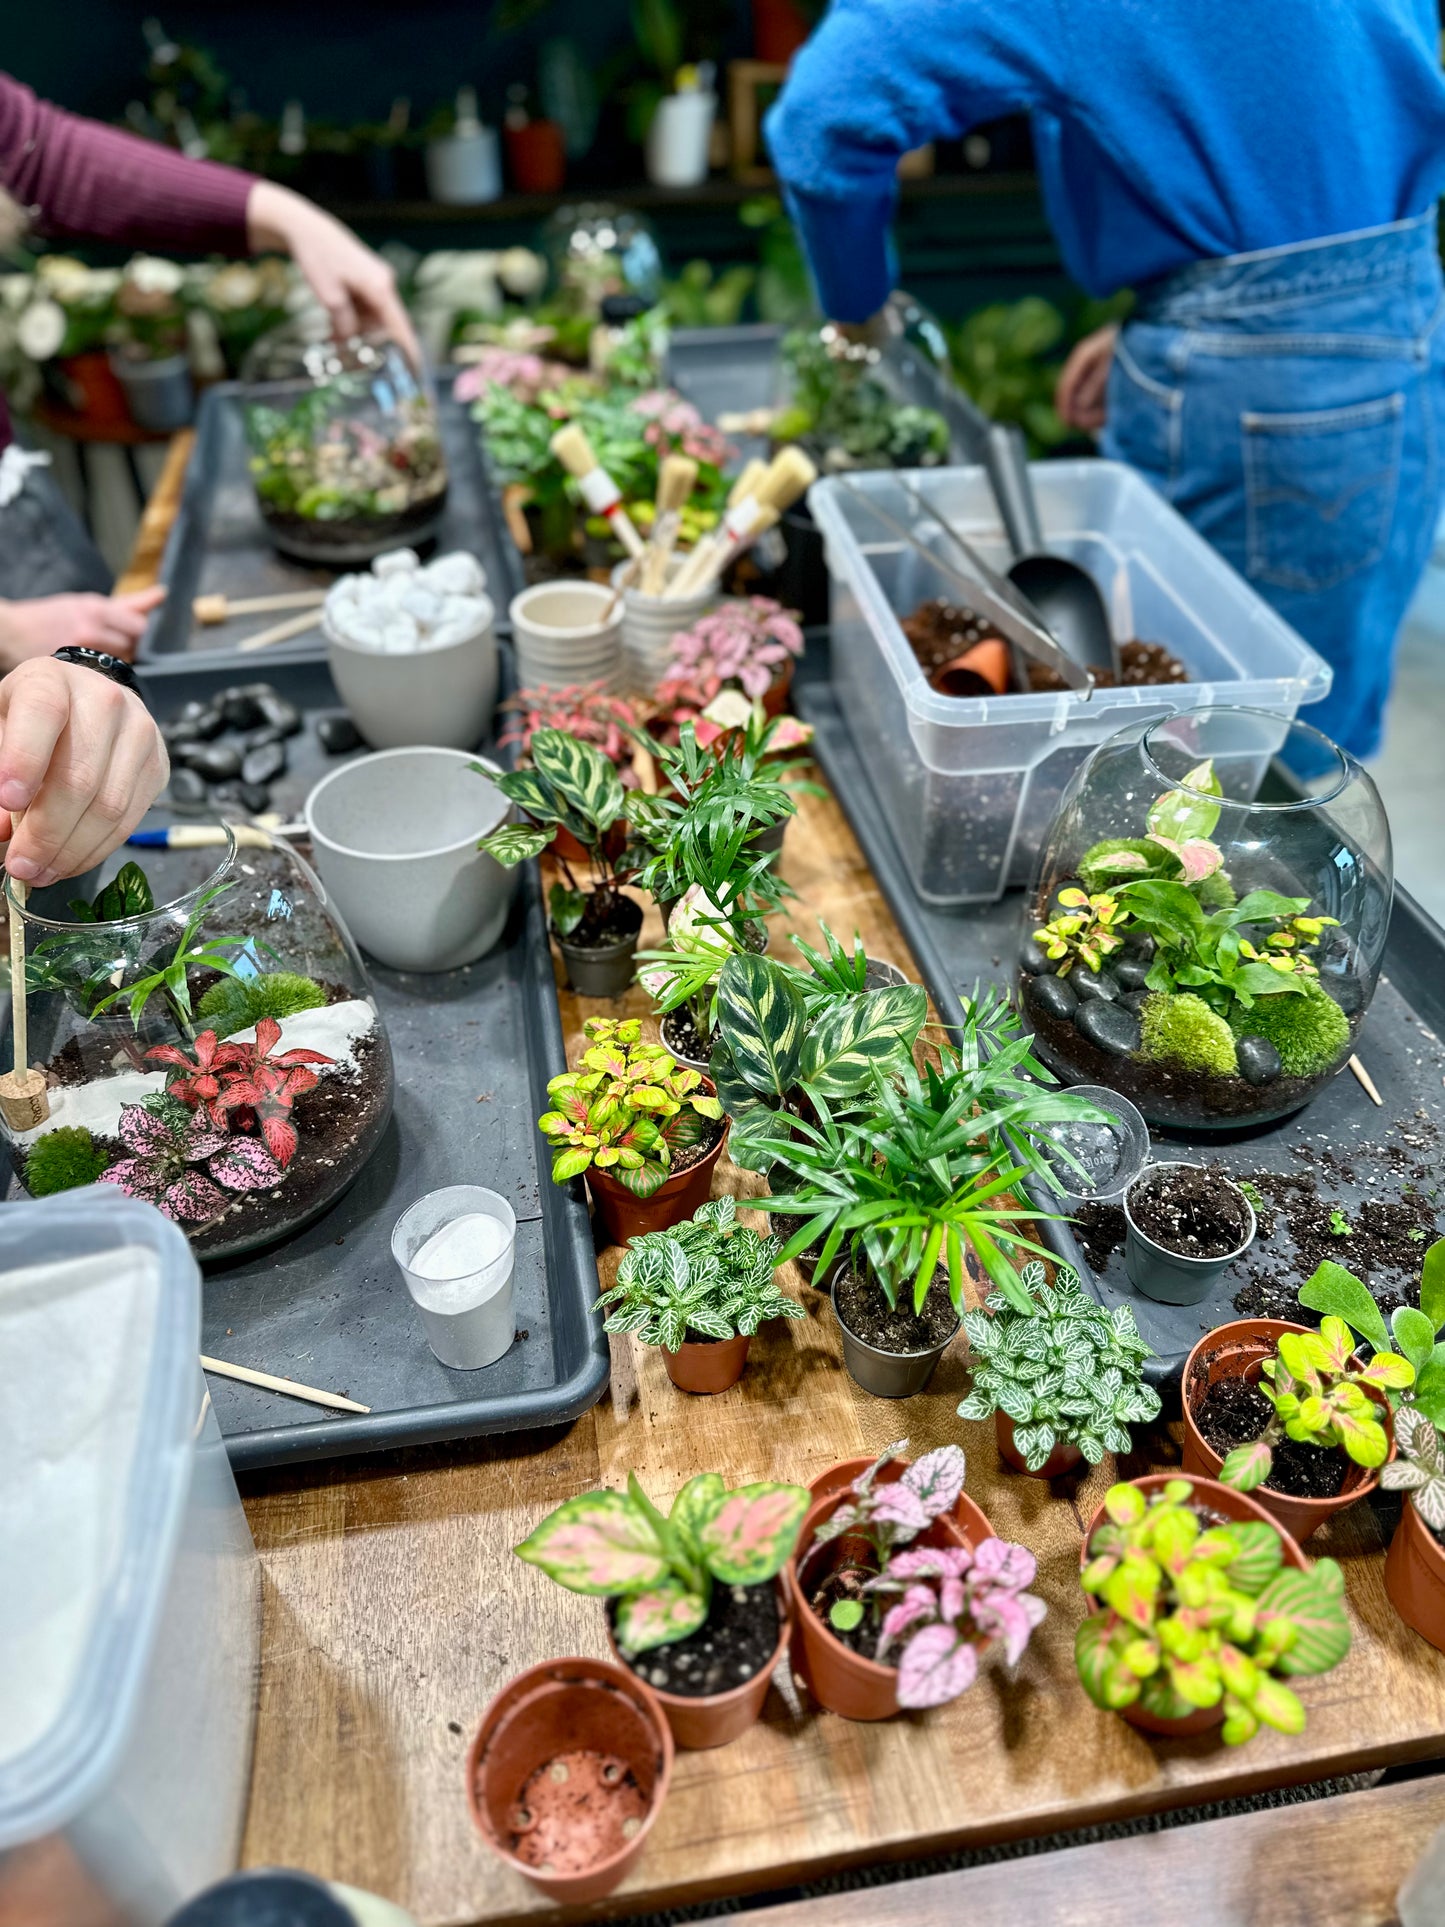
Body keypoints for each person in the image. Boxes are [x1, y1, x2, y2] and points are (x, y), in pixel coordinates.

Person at [766, 1, 1445, 761]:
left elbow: (824, 117)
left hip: (1271, 387)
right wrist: (1182, 301)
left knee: (1216, 778)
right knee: (1305, 752)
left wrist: (857, 309)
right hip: (1403, 321)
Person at [0, 72, 421, 879]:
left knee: (108, 782)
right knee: (48, 856)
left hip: (13, 510)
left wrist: (292, 219)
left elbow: (46, 151)